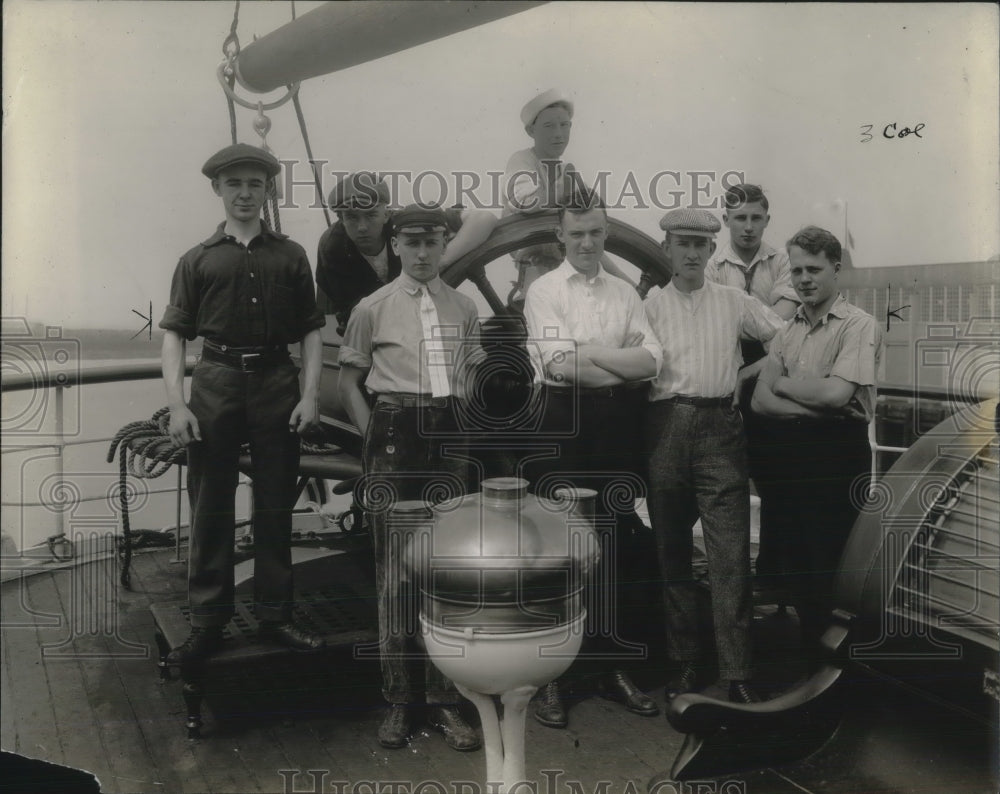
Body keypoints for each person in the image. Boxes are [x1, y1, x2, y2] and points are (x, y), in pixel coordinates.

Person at [160, 143, 326, 664]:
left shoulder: (291, 255)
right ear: (218, 189)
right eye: (235, 184)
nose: (245, 193)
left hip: (278, 381)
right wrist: (178, 405)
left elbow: (312, 333)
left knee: (276, 504)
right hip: (216, 381)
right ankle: (209, 622)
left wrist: (309, 394)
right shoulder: (197, 260)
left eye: (255, 183)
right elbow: (174, 338)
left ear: (268, 189)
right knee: (210, 505)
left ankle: (275, 616)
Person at [338, 204, 483, 752]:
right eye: (413, 243)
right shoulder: (371, 308)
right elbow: (350, 382)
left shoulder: (466, 308)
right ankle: (401, 701)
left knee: (447, 569)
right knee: (397, 570)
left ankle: (447, 704)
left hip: (451, 433)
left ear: (445, 245)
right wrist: (373, 435)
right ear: (395, 245)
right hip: (395, 431)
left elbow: (470, 377)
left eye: (434, 243)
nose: (423, 253)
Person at [522, 195, 663, 728]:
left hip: (615, 432)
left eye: (597, 233)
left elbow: (653, 360)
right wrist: (617, 365)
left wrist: (591, 356)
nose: (587, 243)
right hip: (561, 428)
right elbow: (560, 367)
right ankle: (554, 677)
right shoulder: (543, 290)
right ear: (561, 235)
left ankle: (610, 666)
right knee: (559, 548)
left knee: (611, 543)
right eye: (577, 233)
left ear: (606, 234)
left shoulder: (626, 292)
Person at [644, 208, 784, 704]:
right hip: (666, 427)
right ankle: (684, 665)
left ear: (711, 251)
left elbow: (784, 337)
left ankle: (737, 672)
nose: (691, 253)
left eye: (701, 245)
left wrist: (746, 378)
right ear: (666, 247)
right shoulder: (649, 306)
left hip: (721, 429)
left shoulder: (733, 300)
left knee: (729, 558)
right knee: (673, 555)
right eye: (682, 243)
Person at [751, 226, 883, 659]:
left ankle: (839, 678)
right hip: (795, 457)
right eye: (797, 270)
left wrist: (785, 384)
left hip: (838, 457)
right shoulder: (788, 331)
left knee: (834, 567)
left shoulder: (858, 325)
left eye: (814, 269)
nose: (804, 279)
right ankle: (809, 673)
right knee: (799, 567)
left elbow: (837, 395)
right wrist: (810, 401)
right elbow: (760, 401)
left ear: (836, 270)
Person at [706, 183, 799, 586]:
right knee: (725, 481)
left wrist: (752, 369)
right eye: (739, 218)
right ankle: (731, 574)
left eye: (755, 218)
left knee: (777, 478)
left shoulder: (782, 262)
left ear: (767, 220)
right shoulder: (711, 263)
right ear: (726, 220)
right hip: (726, 373)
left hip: (773, 371)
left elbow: (783, 330)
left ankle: (776, 578)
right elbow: (711, 323)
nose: (748, 227)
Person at [316, 171, 496, 334]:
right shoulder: (332, 248)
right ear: (341, 219)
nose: (362, 227)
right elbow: (355, 311)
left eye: (371, 215)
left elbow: (484, 219)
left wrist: (442, 262)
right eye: (352, 217)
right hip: (372, 327)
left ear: (387, 214)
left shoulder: (405, 225)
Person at [503, 89, 635, 285]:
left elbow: (590, 210)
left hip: (562, 251)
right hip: (530, 250)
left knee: (589, 235)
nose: (558, 134)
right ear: (531, 131)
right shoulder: (522, 160)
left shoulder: (566, 172)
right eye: (549, 126)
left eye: (564, 126)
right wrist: (565, 187)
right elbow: (525, 202)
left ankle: (629, 286)